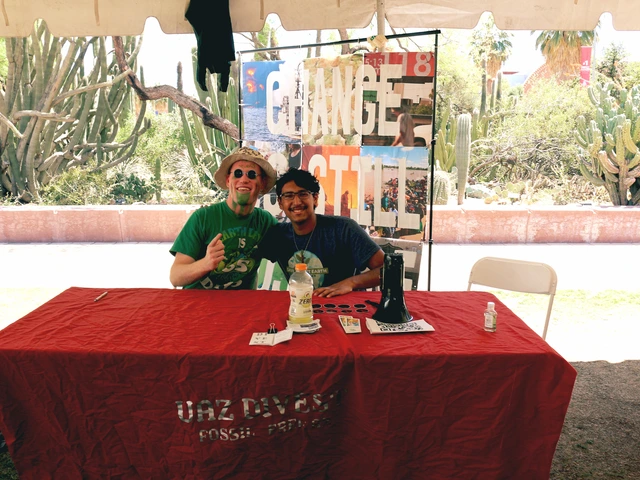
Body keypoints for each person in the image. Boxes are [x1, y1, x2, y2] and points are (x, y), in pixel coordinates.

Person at [259, 168, 384, 297]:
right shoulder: (278, 235)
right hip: (301, 309)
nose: (296, 202)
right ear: (280, 203)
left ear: (315, 198)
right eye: (289, 196)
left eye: (303, 194)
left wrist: (350, 283)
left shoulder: (344, 229)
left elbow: (388, 270)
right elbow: (246, 255)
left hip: (345, 311)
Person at [170, 146, 277, 289]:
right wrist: (206, 263)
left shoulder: (265, 222)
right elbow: (175, 277)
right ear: (228, 180)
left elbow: (293, 255)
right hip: (199, 305)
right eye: (238, 173)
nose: (244, 179)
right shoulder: (202, 218)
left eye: (251, 174)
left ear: (262, 183)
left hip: (242, 307)